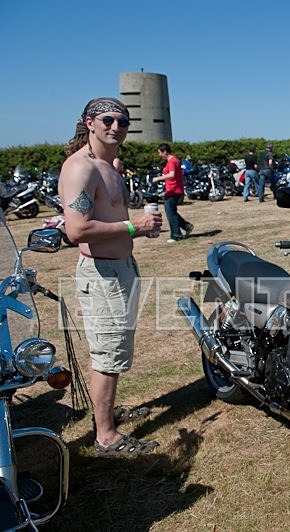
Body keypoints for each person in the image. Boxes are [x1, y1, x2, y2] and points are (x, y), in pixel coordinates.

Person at [59, 97, 163, 456]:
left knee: (107, 350)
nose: (116, 126)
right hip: (103, 274)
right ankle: (106, 436)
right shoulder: (81, 168)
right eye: (108, 119)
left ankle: (106, 413)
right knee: (108, 353)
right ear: (89, 122)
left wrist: (135, 230)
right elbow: (76, 229)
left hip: (120, 270)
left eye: (123, 121)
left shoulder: (108, 165)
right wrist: (134, 227)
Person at [153, 143, 193, 242]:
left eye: (160, 153)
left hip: (173, 190)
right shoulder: (173, 161)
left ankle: (176, 235)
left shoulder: (172, 161)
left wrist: (158, 178)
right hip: (172, 190)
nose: (159, 155)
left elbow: (172, 174)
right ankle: (187, 226)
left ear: (165, 152)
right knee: (172, 212)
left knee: (171, 213)